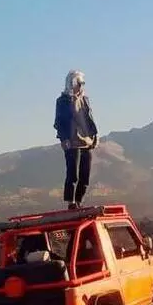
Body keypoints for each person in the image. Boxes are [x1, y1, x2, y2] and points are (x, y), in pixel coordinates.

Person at [54, 69, 99, 209]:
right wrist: (64, 138)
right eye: (79, 83)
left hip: (87, 141)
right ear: (72, 83)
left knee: (85, 175)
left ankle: (79, 202)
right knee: (73, 174)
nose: (81, 86)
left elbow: (89, 118)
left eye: (83, 83)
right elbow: (59, 122)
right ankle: (71, 202)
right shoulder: (63, 101)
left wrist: (95, 136)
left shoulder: (85, 99)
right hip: (72, 142)